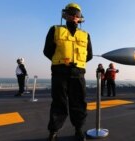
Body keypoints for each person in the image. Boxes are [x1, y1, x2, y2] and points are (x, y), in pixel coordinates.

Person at [43, 3, 93, 141]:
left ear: (79, 17)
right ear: (65, 15)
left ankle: (78, 129)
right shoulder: (55, 30)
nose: (73, 16)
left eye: (76, 14)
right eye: (71, 13)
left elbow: (89, 55)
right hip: (60, 72)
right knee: (59, 102)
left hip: (78, 73)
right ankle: (53, 131)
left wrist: (76, 64)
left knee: (79, 102)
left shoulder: (85, 35)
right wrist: (61, 61)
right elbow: (47, 51)